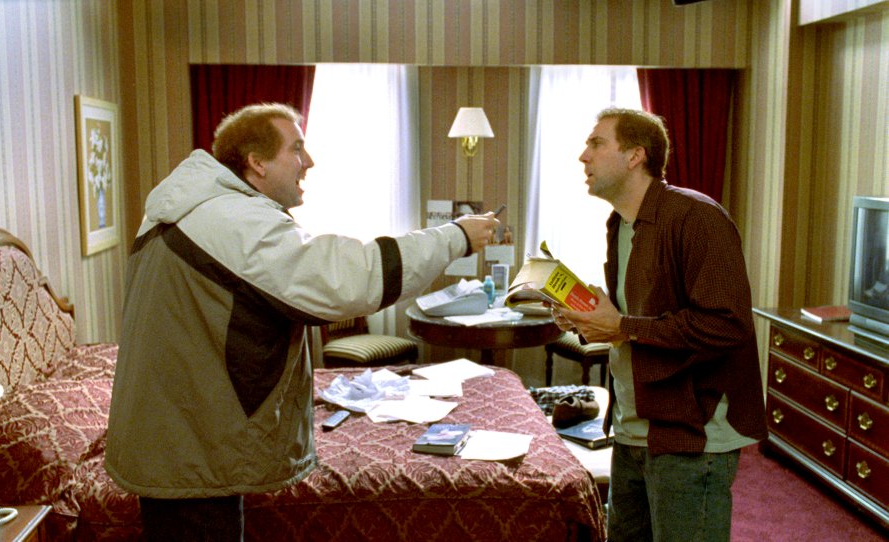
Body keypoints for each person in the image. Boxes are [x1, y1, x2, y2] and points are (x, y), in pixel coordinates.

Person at [104, 103, 500, 541]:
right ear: (257, 162)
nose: (308, 161)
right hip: (191, 443)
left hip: (181, 431)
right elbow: (349, 277)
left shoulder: (195, 208)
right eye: (296, 148)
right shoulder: (229, 219)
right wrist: (455, 236)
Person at [551, 107, 767, 541]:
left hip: (691, 434)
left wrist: (624, 326)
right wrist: (592, 319)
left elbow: (727, 325)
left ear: (635, 156)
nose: (583, 156)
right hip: (632, 426)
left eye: (596, 144)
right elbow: (637, 317)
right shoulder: (620, 224)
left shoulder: (697, 217)